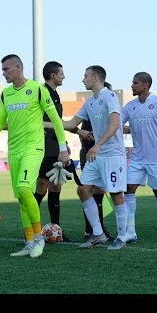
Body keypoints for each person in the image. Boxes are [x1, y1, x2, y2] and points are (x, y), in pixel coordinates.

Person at [0, 54, 70, 258]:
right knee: (22, 198)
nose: (2, 73)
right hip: (14, 150)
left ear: (18, 68)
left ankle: (39, 239)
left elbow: (56, 120)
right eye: (1, 70)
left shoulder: (37, 89)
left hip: (33, 149)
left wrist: (63, 148)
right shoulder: (6, 94)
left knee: (23, 188)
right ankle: (29, 242)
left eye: (6, 69)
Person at [60, 65, 128, 250]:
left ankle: (122, 236)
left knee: (116, 194)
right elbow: (72, 123)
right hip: (97, 156)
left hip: (112, 155)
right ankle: (98, 234)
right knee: (83, 190)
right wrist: (43, 121)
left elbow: (115, 124)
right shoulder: (90, 102)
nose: (83, 80)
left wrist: (97, 145)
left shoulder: (110, 97)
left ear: (96, 78)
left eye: (85, 76)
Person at [121, 72, 157, 244]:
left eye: (135, 83)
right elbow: (118, 126)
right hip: (137, 159)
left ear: (145, 85)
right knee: (128, 190)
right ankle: (131, 231)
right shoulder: (130, 106)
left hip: (156, 159)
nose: (132, 86)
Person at [33, 61, 73, 242]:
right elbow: (40, 122)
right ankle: (31, 228)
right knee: (43, 186)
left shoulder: (55, 94)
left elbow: (57, 123)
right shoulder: (42, 92)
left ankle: (56, 229)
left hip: (55, 146)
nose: (63, 76)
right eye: (61, 73)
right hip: (45, 147)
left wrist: (62, 145)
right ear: (53, 75)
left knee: (55, 186)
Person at [80, 81, 114, 242]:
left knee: (100, 192)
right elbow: (83, 132)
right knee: (87, 190)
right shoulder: (91, 108)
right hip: (90, 152)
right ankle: (91, 230)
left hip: (105, 153)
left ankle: (98, 229)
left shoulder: (110, 109)